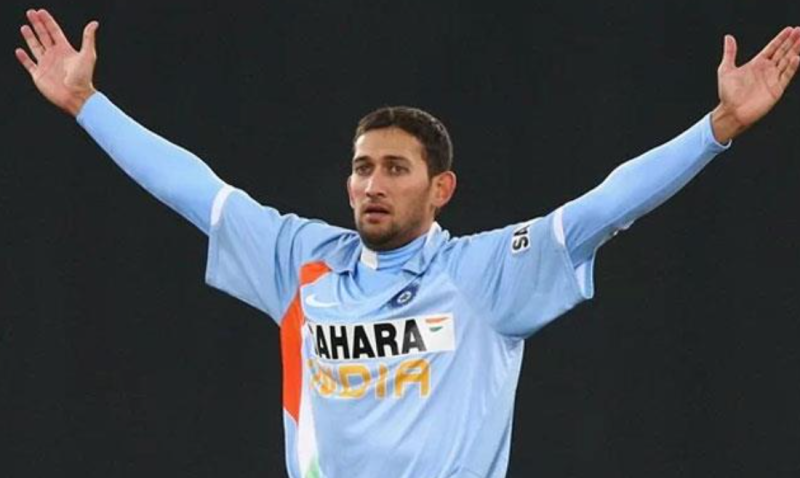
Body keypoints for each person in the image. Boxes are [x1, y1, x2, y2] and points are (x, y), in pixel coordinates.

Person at [15, 8, 800, 478]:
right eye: (363, 168)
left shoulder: (484, 274)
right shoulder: (300, 262)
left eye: (396, 168)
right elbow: (194, 188)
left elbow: (606, 206)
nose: (373, 184)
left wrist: (718, 128)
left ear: (440, 187)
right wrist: (87, 104)